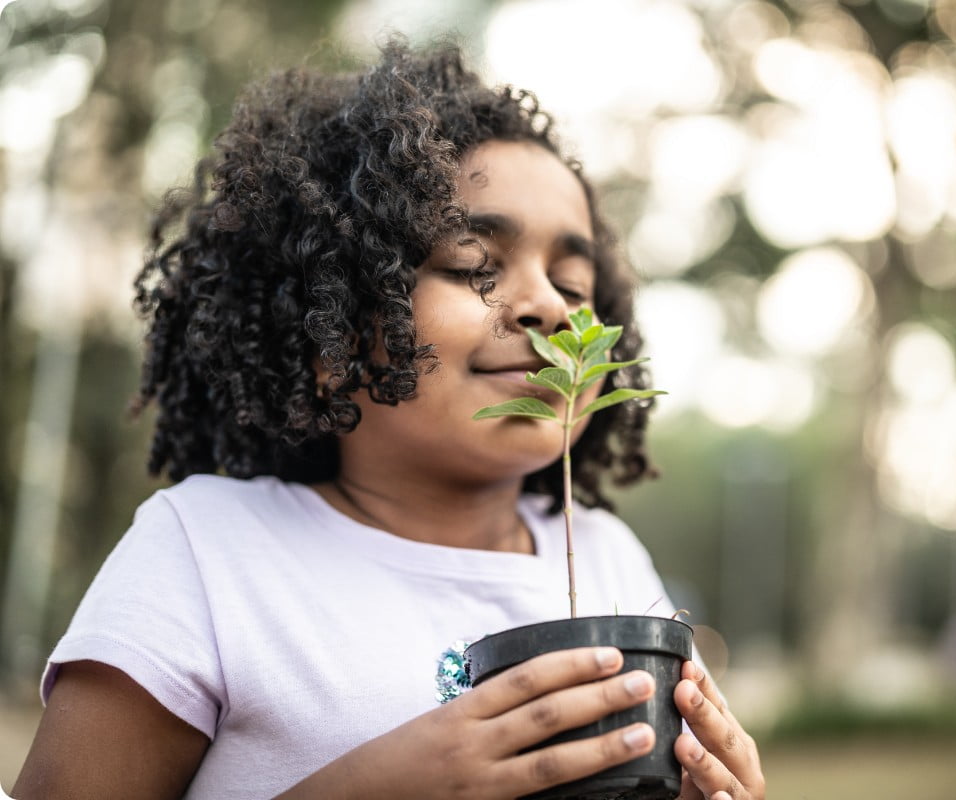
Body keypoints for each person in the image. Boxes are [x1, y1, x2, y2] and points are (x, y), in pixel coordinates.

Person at [13, 37, 765, 800]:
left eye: (573, 283)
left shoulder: (608, 559)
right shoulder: (207, 553)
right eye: (475, 267)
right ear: (332, 332)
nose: (548, 306)